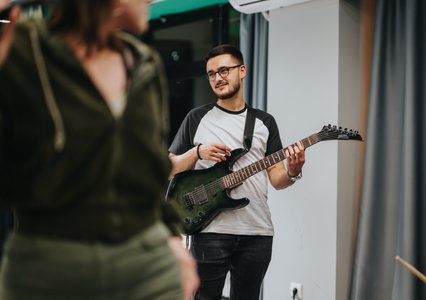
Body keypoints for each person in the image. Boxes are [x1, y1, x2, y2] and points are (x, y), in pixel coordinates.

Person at [0, 0, 199, 299]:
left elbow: (150, 173)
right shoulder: (23, 49)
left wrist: (172, 239)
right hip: (49, 271)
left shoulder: (144, 62)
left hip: (151, 268)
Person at [168, 44, 305, 300]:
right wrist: (197, 153)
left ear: (241, 71)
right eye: (211, 74)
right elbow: (168, 169)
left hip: (257, 232)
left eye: (224, 70)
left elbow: (277, 178)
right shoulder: (197, 118)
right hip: (209, 231)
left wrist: (294, 171)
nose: (217, 78)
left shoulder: (264, 122)